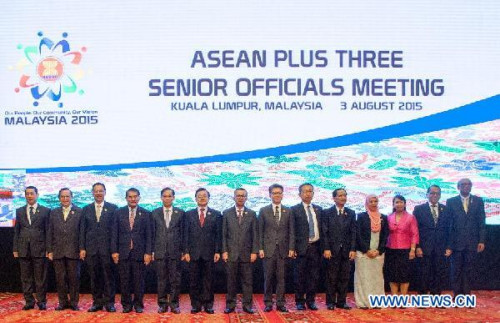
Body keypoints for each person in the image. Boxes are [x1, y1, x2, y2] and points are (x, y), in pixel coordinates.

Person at [111, 188, 152, 313]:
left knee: (139, 281)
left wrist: (148, 252)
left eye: (135, 196)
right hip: (123, 252)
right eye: (130, 197)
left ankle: (138, 304)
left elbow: (149, 235)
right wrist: (114, 251)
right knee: (124, 281)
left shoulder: (146, 213)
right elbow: (114, 233)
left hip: (139, 253)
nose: (133, 199)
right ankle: (126, 305)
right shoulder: (118, 212)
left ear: (139, 198)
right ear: (126, 198)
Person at [79, 182, 118, 312]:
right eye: (96, 191)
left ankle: (109, 303)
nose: (98, 193)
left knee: (108, 278)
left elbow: (114, 231)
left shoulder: (113, 208)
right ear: (92, 193)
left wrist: (114, 250)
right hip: (91, 250)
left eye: (101, 191)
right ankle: (97, 302)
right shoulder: (86, 209)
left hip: (107, 250)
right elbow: (83, 230)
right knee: (94, 278)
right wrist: (82, 248)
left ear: (105, 192)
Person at [183, 188, 222, 314]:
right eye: (199, 196)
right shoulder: (188, 214)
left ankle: (208, 304)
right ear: (195, 199)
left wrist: (217, 251)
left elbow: (218, 235)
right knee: (194, 280)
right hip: (193, 253)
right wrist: (186, 251)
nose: (202, 198)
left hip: (209, 253)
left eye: (204, 196)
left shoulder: (216, 214)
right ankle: (195, 305)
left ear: (209, 198)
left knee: (209, 280)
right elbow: (186, 234)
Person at [12, 186, 51, 310]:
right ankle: (29, 301)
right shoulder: (19, 210)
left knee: (40, 278)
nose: (29, 196)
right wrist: (15, 249)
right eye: (27, 194)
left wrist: (48, 249)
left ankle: (41, 301)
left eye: (32, 194)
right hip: (23, 249)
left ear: (37, 195)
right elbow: (17, 231)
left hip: (40, 249)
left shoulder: (45, 210)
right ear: (25, 196)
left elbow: (48, 232)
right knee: (25, 278)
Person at [258, 183, 295, 313]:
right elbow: (260, 231)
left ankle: (280, 303)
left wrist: (291, 248)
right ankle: (268, 303)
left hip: (283, 250)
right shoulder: (263, 210)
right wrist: (260, 248)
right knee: (268, 278)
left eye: (279, 193)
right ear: (270, 195)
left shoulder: (288, 211)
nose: (277, 195)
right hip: (268, 250)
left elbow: (291, 231)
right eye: (274, 193)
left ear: (282, 195)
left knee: (281, 278)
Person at [447, 178, 486, 297]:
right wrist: (449, 244)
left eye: (469, 184)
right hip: (456, 242)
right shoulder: (451, 201)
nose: (466, 186)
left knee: (469, 270)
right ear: (458, 187)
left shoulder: (478, 201)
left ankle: (467, 294)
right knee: (456, 270)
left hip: (472, 242)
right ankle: (457, 295)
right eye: (463, 184)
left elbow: (481, 222)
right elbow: (449, 224)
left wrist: (481, 240)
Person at [222, 188, 258, 314]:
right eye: (238, 195)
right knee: (231, 281)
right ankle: (230, 305)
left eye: (243, 196)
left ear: (246, 198)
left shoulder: (252, 214)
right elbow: (224, 234)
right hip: (231, 253)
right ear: (234, 197)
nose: (240, 197)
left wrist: (254, 252)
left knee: (247, 282)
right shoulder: (226, 213)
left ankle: (247, 305)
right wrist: (224, 251)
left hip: (247, 254)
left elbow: (255, 234)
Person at [47, 188, 83, 311]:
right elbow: (49, 232)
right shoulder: (53, 212)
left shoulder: (79, 211)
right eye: (62, 196)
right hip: (58, 251)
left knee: (74, 279)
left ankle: (74, 302)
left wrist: (82, 249)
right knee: (60, 279)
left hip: (74, 251)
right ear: (59, 198)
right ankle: (62, 302)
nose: (65, 199)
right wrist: (49, 250)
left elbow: (82, 232)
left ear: (71, 197)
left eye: (67, 196)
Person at [322, 188, 356, 310]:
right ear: (334, 198)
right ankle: (330, 302)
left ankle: (341, 301)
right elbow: (324, 232)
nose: (343, 197)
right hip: (332, 250)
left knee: (344, 277)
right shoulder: (327, 212)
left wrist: (353, 249)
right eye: (340, 195)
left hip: (346, 251)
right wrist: (326, 248)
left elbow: (353, 232)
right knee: (331, 277)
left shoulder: (351, 213)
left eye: (345, 195)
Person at [151, 187, 184, 314]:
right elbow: (152, 234)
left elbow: (183, 233)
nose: (167, 198)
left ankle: (174, 304)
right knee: (161, 279)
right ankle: (162, 304)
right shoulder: (154, 213)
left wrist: (183, 250)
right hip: (159, 251)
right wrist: (151, 251)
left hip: (175, 251)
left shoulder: (180, 213)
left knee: (175, 279)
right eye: (164, 196)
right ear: (161, 198)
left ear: (173, 198)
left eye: (169, 196)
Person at [414, 185, 452, 295]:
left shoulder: (446, 209)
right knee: (423, 274)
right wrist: (417, 246)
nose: (435, 195)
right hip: (424, 248)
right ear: (427, 194)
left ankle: (436, 297)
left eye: (437, 193)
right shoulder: (419, 209)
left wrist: (449, 246)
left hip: (440, 247)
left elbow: (450, 229)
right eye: (432, 193)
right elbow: (415, 230)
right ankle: (422, 298)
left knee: (438, 274)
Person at [354, 194, 389, 309]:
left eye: (375, 201)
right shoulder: (361, 216)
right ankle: (363, 302)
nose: (373, 203)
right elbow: (358, 235)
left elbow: (385, 236)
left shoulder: (383, 217)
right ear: (366, 203)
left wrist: (378, 251)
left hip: (378, 254)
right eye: (371, 201)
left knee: (377, 278)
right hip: (363, 253)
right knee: (363, 278)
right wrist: (367, 250)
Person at [291, 183, 322, 311]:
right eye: (305, 191)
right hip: (301, 248)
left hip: (315, 247)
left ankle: (311, 301)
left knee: (313, 276)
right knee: (299, 277)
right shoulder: (294, 210)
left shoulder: (318, 209)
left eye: (310, 191)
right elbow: (291, 231)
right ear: (299, 194)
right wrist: (292, 248)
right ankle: (299, 301)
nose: (308, 193)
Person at [385, 195, 419, 295]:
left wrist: (413, 250)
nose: (399, 204)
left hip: (405, 250)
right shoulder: (389, 217)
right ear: (393, 204)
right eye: (397, 202)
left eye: (401, 202)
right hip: (391, 249)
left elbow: (414, 234)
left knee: (404, 275)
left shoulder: (410, 217)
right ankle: (394, 297)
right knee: (392, 275)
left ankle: (403, 298)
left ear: (404, 204)